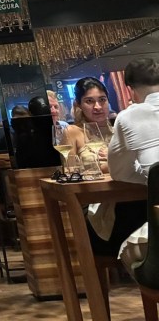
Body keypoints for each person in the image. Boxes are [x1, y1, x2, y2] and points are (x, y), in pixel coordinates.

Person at [87, 59, 159, 262]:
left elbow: (119, 172)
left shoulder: (128, 117)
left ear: (130, 90)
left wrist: (151, 177)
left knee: (129, 251)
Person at [66, 77, 111, 155]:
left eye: (102, 99)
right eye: (89, 101)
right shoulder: (72, 132)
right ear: (79, 104)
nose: (98, 107)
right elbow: (69, 163)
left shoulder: (119, 129)